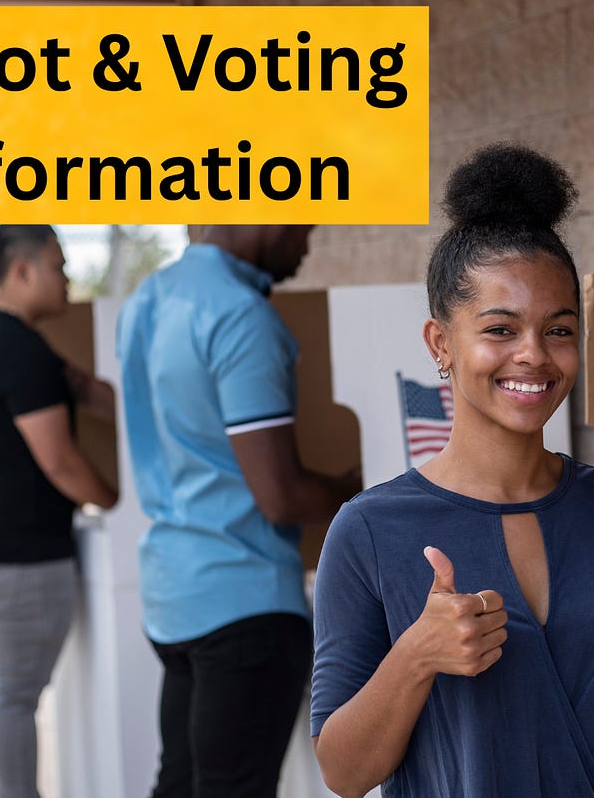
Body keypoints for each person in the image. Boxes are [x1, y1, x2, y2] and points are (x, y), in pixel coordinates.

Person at [309, 145, 594, 797]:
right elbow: (343, 772)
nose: (534, 355)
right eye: (500, 328)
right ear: (440, 343)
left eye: (559, 329)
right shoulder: (370, 529)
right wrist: (417, 656)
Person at [117, 225, 362, 798]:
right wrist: (356, 490)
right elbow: (280, 494)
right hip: (244, 601)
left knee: (177, 784)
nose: (307, 244)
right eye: (302, 224)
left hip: (171, 597)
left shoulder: (147, 300)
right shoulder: (241, 316)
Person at [0, 224, 118, 798]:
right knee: (16, 692)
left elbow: (78, 389)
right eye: (58, 265)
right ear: (22, 271)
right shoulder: (18, 349)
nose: (67, 277)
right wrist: (114, 497)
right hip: (21, 554)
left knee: (1, 682)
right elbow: (60, 463)